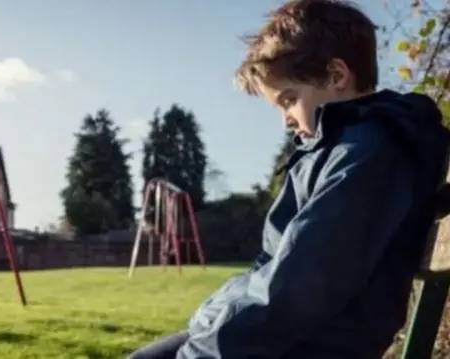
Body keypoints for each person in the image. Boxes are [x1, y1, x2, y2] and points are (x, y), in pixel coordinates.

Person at [127, 0, 449, 358]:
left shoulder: (371, 151)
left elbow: (304, 286)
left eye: (289, 100)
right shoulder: (332, 149)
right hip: (282, 337)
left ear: (337, 76)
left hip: (308, 345)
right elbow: (270, 269)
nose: (286, 120)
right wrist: (210, 322)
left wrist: (201, 351)